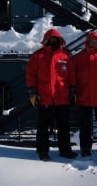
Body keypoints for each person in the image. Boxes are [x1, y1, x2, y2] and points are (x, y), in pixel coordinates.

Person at [26, 27, 77, 161]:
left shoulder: (65, 57)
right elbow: (31, 76)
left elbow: (71, 76)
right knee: (43, 127)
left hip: (62, 98)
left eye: (56, 40)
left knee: (64, 127)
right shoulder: (38, 56)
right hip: (44, 99)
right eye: (51, 40)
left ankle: (65, 150)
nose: (54, 42)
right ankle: (43, 151)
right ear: (46, 41)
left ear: (60, 41)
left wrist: (73, 92)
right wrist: (33, 93)